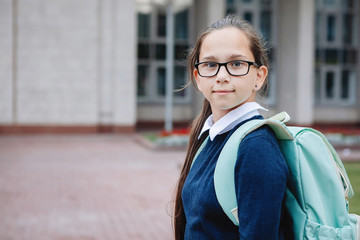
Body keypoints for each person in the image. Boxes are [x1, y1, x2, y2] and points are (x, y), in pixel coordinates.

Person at [173, 15, 289, 240]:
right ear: (198, 78)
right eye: (210, 65)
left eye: (236, 64)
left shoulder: (256, 148)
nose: (222, 76)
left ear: (259, 76)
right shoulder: (210, 137)